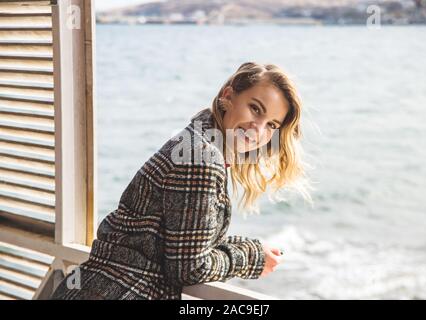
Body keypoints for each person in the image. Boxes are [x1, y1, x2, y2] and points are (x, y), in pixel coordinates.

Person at [50, 62, 310, 300]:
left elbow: (177, 241)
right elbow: (189, 269)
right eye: (255, 109)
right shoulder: (203, 159)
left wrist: (247, 246)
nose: (258, 130)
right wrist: (251, 258)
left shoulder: (195, 141)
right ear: (228, 96)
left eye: (272, 125)